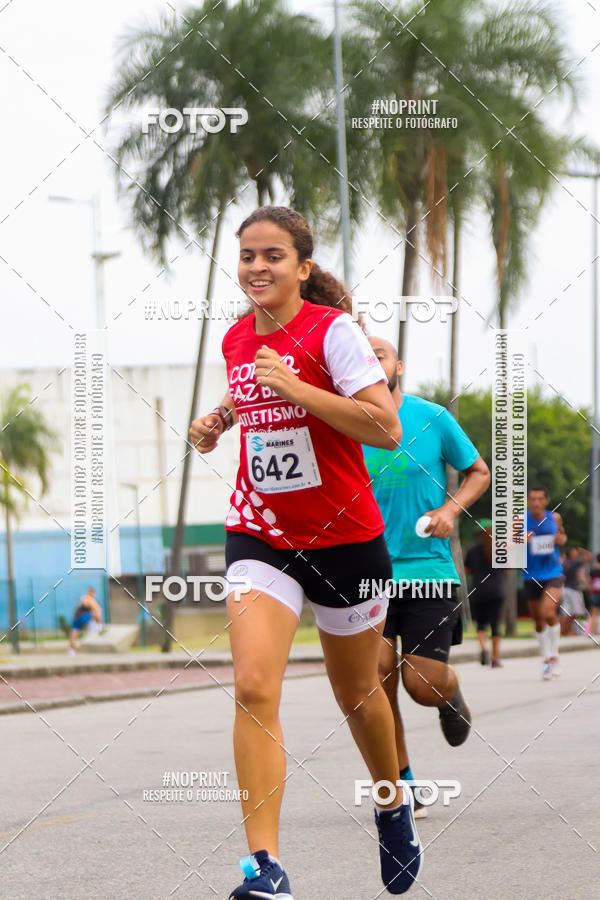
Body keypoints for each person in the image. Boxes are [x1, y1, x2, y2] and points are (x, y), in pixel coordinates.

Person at [190, 207, 421, 898]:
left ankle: (390, 802)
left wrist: (299, 388)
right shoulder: (235, 338)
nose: (257, 267)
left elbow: (385, 427)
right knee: (255, 687)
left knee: (357, 694)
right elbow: (249, 393)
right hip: (259, 532)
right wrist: (217, 421)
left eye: (272, 256)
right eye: (247, 256)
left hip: (345, 539)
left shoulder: (334, 332)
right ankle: (267, 869)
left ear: (302, 267)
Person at [362, 337, 490, 819]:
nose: (372, 362)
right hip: (365, 573)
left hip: (428, 573)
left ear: (398, 365)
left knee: (421, 685)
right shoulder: (346, 423)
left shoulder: (433, 418)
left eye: (380, 354)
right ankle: (403, 783)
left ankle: (448, 689)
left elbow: (478, 472)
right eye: (364, 355)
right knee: (375, 681)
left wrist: (450, 509)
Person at [524, 486, 567, 679]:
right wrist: (519, 540)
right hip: (530, 575)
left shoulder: (554, 518)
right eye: (532, 499)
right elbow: (505, 544)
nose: (536, 502)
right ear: (527, 501)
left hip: (553, 572)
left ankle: (554, 656)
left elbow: (563, 537)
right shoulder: (521, 520)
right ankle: (545, 658)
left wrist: (559, 539)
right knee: (538, 621)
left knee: (548, 611)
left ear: (546, 501)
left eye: (540, 499)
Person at [464, 521, 506, 667]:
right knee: (495, 625)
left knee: (481, 624)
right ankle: (495, 658)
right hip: (496, 591)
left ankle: (483, 648)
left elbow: (467, 570)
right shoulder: (500, 548)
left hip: (478, 591)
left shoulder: (472, 549)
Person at [560, 548, 588, 635]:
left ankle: (568, 631)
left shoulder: (564, 563)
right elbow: (589, 556)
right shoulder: (574, 562)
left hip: (565, 589)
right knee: (574, 612)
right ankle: (565, 631)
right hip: (573, 590)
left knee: (568, 612)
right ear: (571, 553)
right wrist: (582, 550)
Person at [68, 587, 102, 654]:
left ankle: (71, 651)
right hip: (81, 617)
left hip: (76, 617)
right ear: (90, 593)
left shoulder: (86, 599)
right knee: (95, 612)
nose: (93, 595)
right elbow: (95, 607)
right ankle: (97, 626)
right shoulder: (87, 598)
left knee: (74, 634)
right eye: (92, 593)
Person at [586, 552, 600, 635]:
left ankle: (590, 630)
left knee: (593, 613)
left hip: (595, 592)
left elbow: (590, 582)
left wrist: (590, 592)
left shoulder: (593, 570)